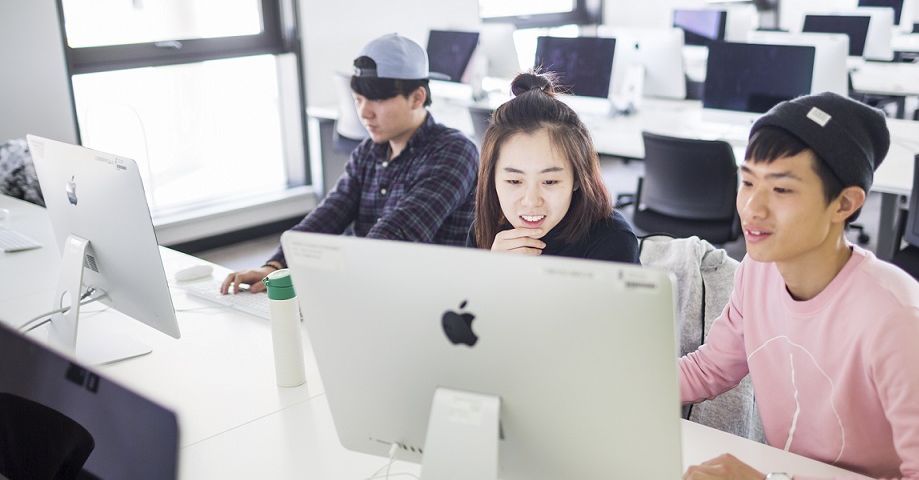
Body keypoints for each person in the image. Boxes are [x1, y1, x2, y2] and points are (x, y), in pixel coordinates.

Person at [679, 92, 919, 480]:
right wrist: (616, 386)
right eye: (747, 182)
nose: (753, 209)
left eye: (781, 189)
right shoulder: (759, 271)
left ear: (844, 204)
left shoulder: (894, 318)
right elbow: (711, 367)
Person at [222, 33, 478, 294]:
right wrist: (276, 265)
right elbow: (330, 214)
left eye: (377, 100)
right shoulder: (369, 151)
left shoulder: (454, 152)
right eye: (358, 99)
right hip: (370, 286)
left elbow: (398, 234)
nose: (364, 113)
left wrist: (333, 282)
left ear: (417, 97)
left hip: (431, 297)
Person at [468, 72, 639, 264]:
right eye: (514, 181)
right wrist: (492, 272)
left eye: (549, 181)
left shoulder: (612, 240)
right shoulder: (485, 231)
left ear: (576, 178)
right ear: (492, 179)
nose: (531, 201)